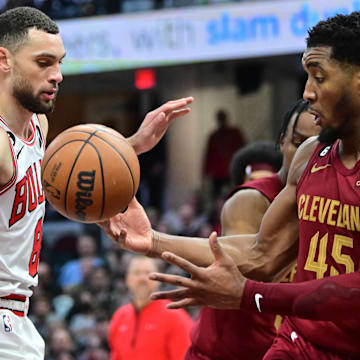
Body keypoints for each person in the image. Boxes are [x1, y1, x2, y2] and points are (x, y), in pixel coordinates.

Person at [102, 11, 360, 359]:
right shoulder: (311, 155)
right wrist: (152, 242)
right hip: (298, 343)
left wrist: (249, 294)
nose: (307, 92)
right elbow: (261, 253)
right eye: (306, 77)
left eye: (319, 77)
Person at [0, 6, 193, 359]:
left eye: (59, 63)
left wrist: (131, 147)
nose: (57, 75)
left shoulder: (37, 129)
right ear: (4, 60)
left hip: (17, 318)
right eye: (44, 63)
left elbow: (64, 183)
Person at [108, 256, 193, 360]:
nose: (142, 278)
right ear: (127, 279)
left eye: (148, 272)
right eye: (137, 273)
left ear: (159, 280)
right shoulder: (120, 317)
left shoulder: (175, 316)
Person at [203, 109, 246, 196]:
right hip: (218, 172)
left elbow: (243, 151)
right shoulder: (214, 136)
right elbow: (208, 155)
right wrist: (205, 172)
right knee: (218, 197)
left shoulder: (235, 133)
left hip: (233, 170)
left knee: (235, 194)